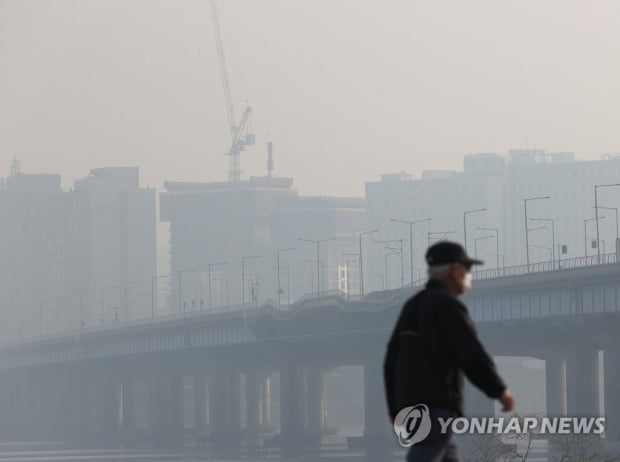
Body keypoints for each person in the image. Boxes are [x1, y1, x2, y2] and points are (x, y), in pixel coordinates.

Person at [383, 241, 515, 462]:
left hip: (411, 403)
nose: (469, 275)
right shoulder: (446, 305)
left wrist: (395, 407)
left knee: (447, 454)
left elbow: (390, 361)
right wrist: (500, 391)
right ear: (455, 271)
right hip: (436, 402)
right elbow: (471, 354)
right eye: (467, 269)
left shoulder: (412, 305)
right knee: (428, 450)